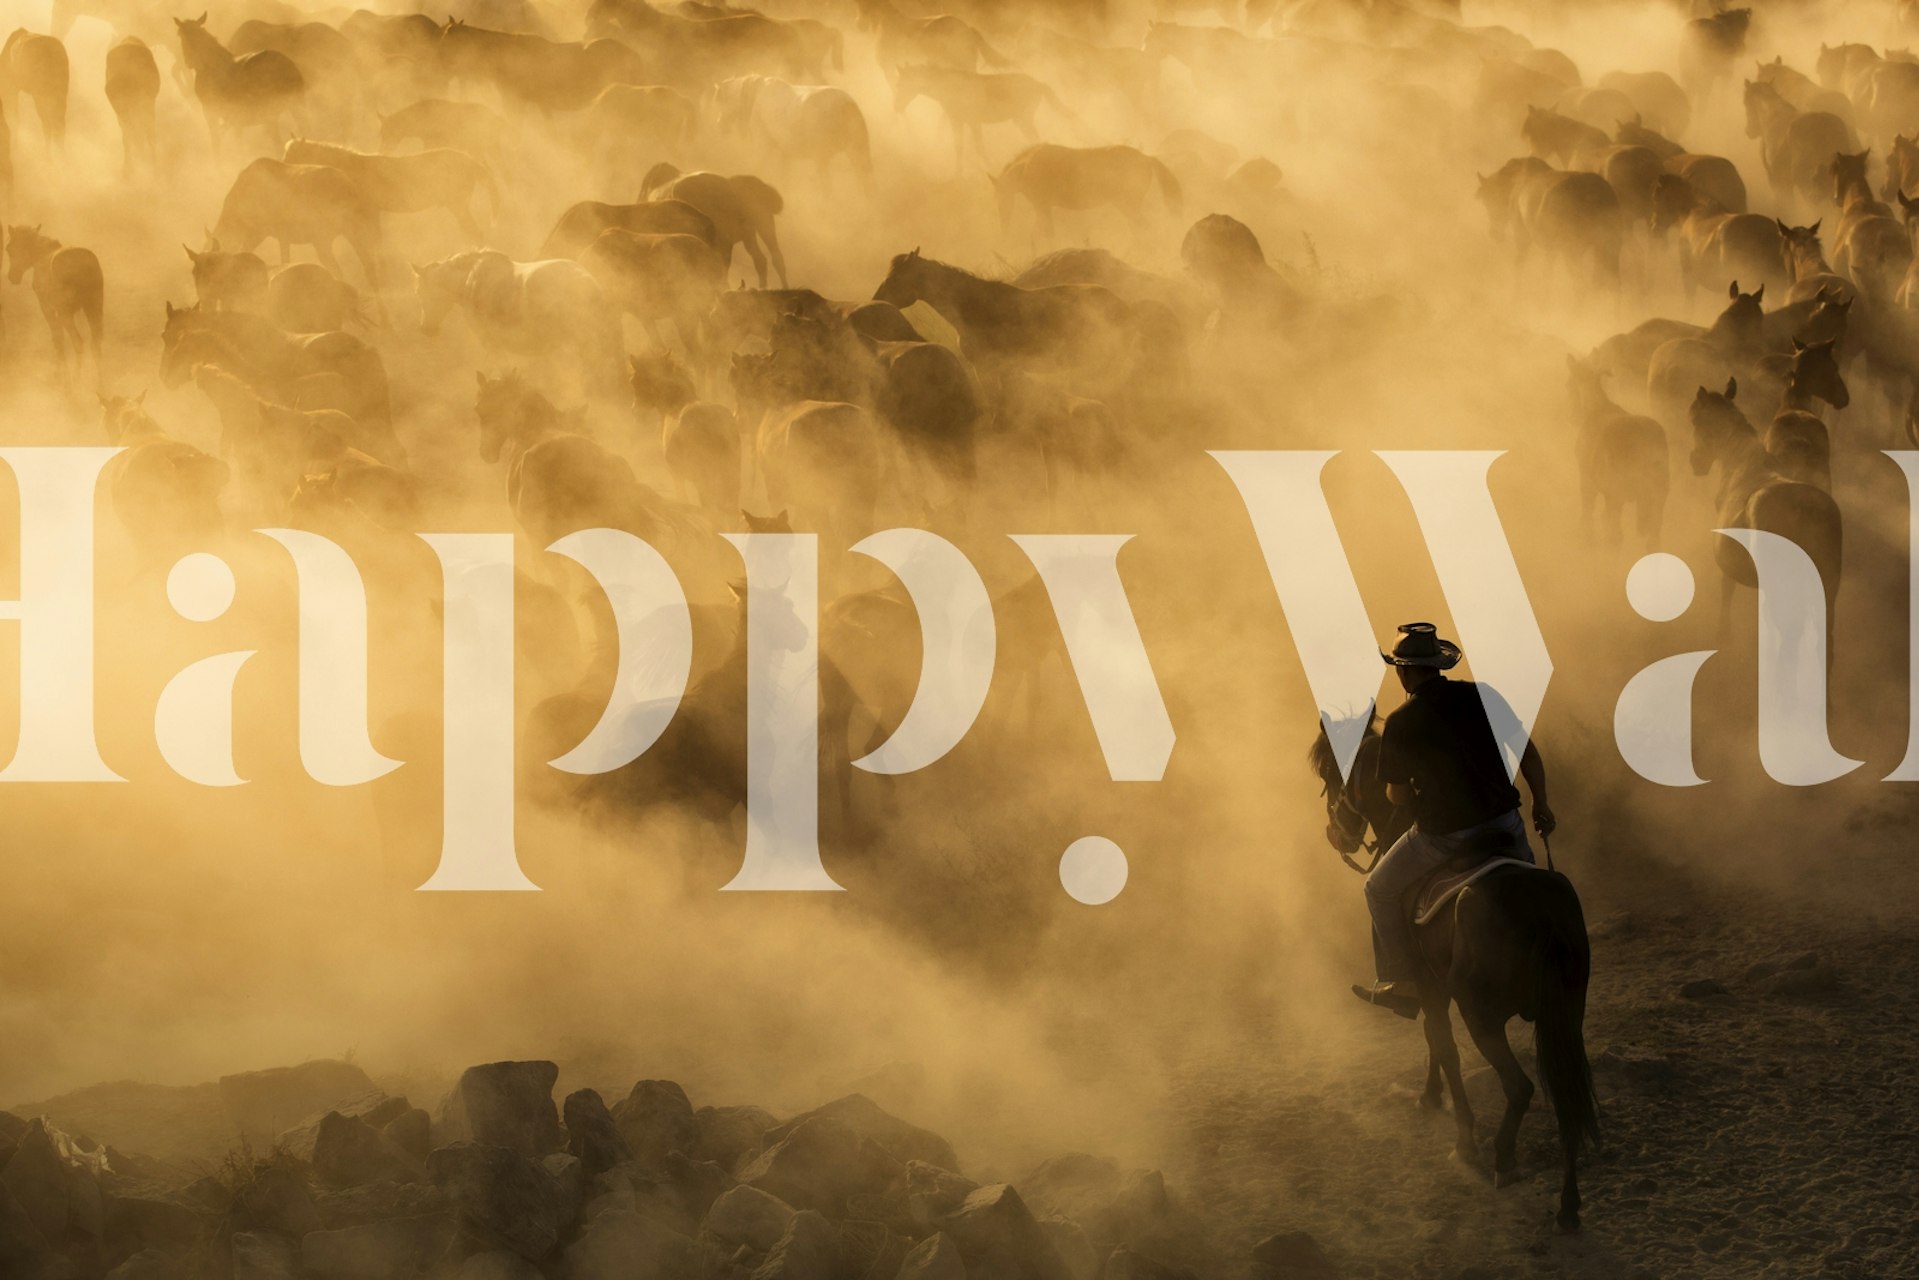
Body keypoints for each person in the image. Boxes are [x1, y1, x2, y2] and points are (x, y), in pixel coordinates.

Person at [1352, 622, 1556, 1018]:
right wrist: (1541, 805)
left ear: (1404, 671)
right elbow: (1528, 754)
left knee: (1378, 889)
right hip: (1505, 825)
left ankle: (1404, 981)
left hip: (1444, 837)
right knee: (1537, 891)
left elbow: (1396, 795)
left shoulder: (1400, 721)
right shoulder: (1483, 696)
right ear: (1438, 664)